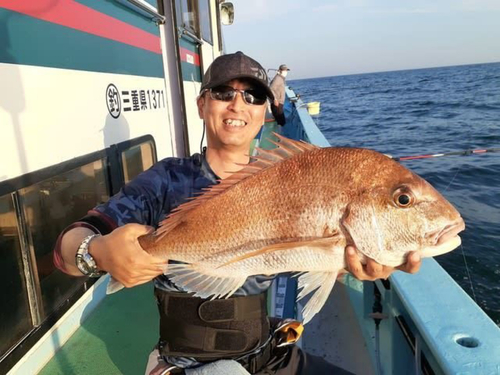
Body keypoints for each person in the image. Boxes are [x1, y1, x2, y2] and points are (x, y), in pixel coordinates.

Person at [53, 51, 421, 375]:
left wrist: (348, 263)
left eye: (253, 95)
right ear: (202, 104)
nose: (237, 104)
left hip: (265, 353)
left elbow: (304, 251)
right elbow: (66, 249)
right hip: (187, 363)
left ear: (266, 111)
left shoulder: (289, 179)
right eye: (223, 93)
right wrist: (98, 251)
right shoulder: (166, 179)